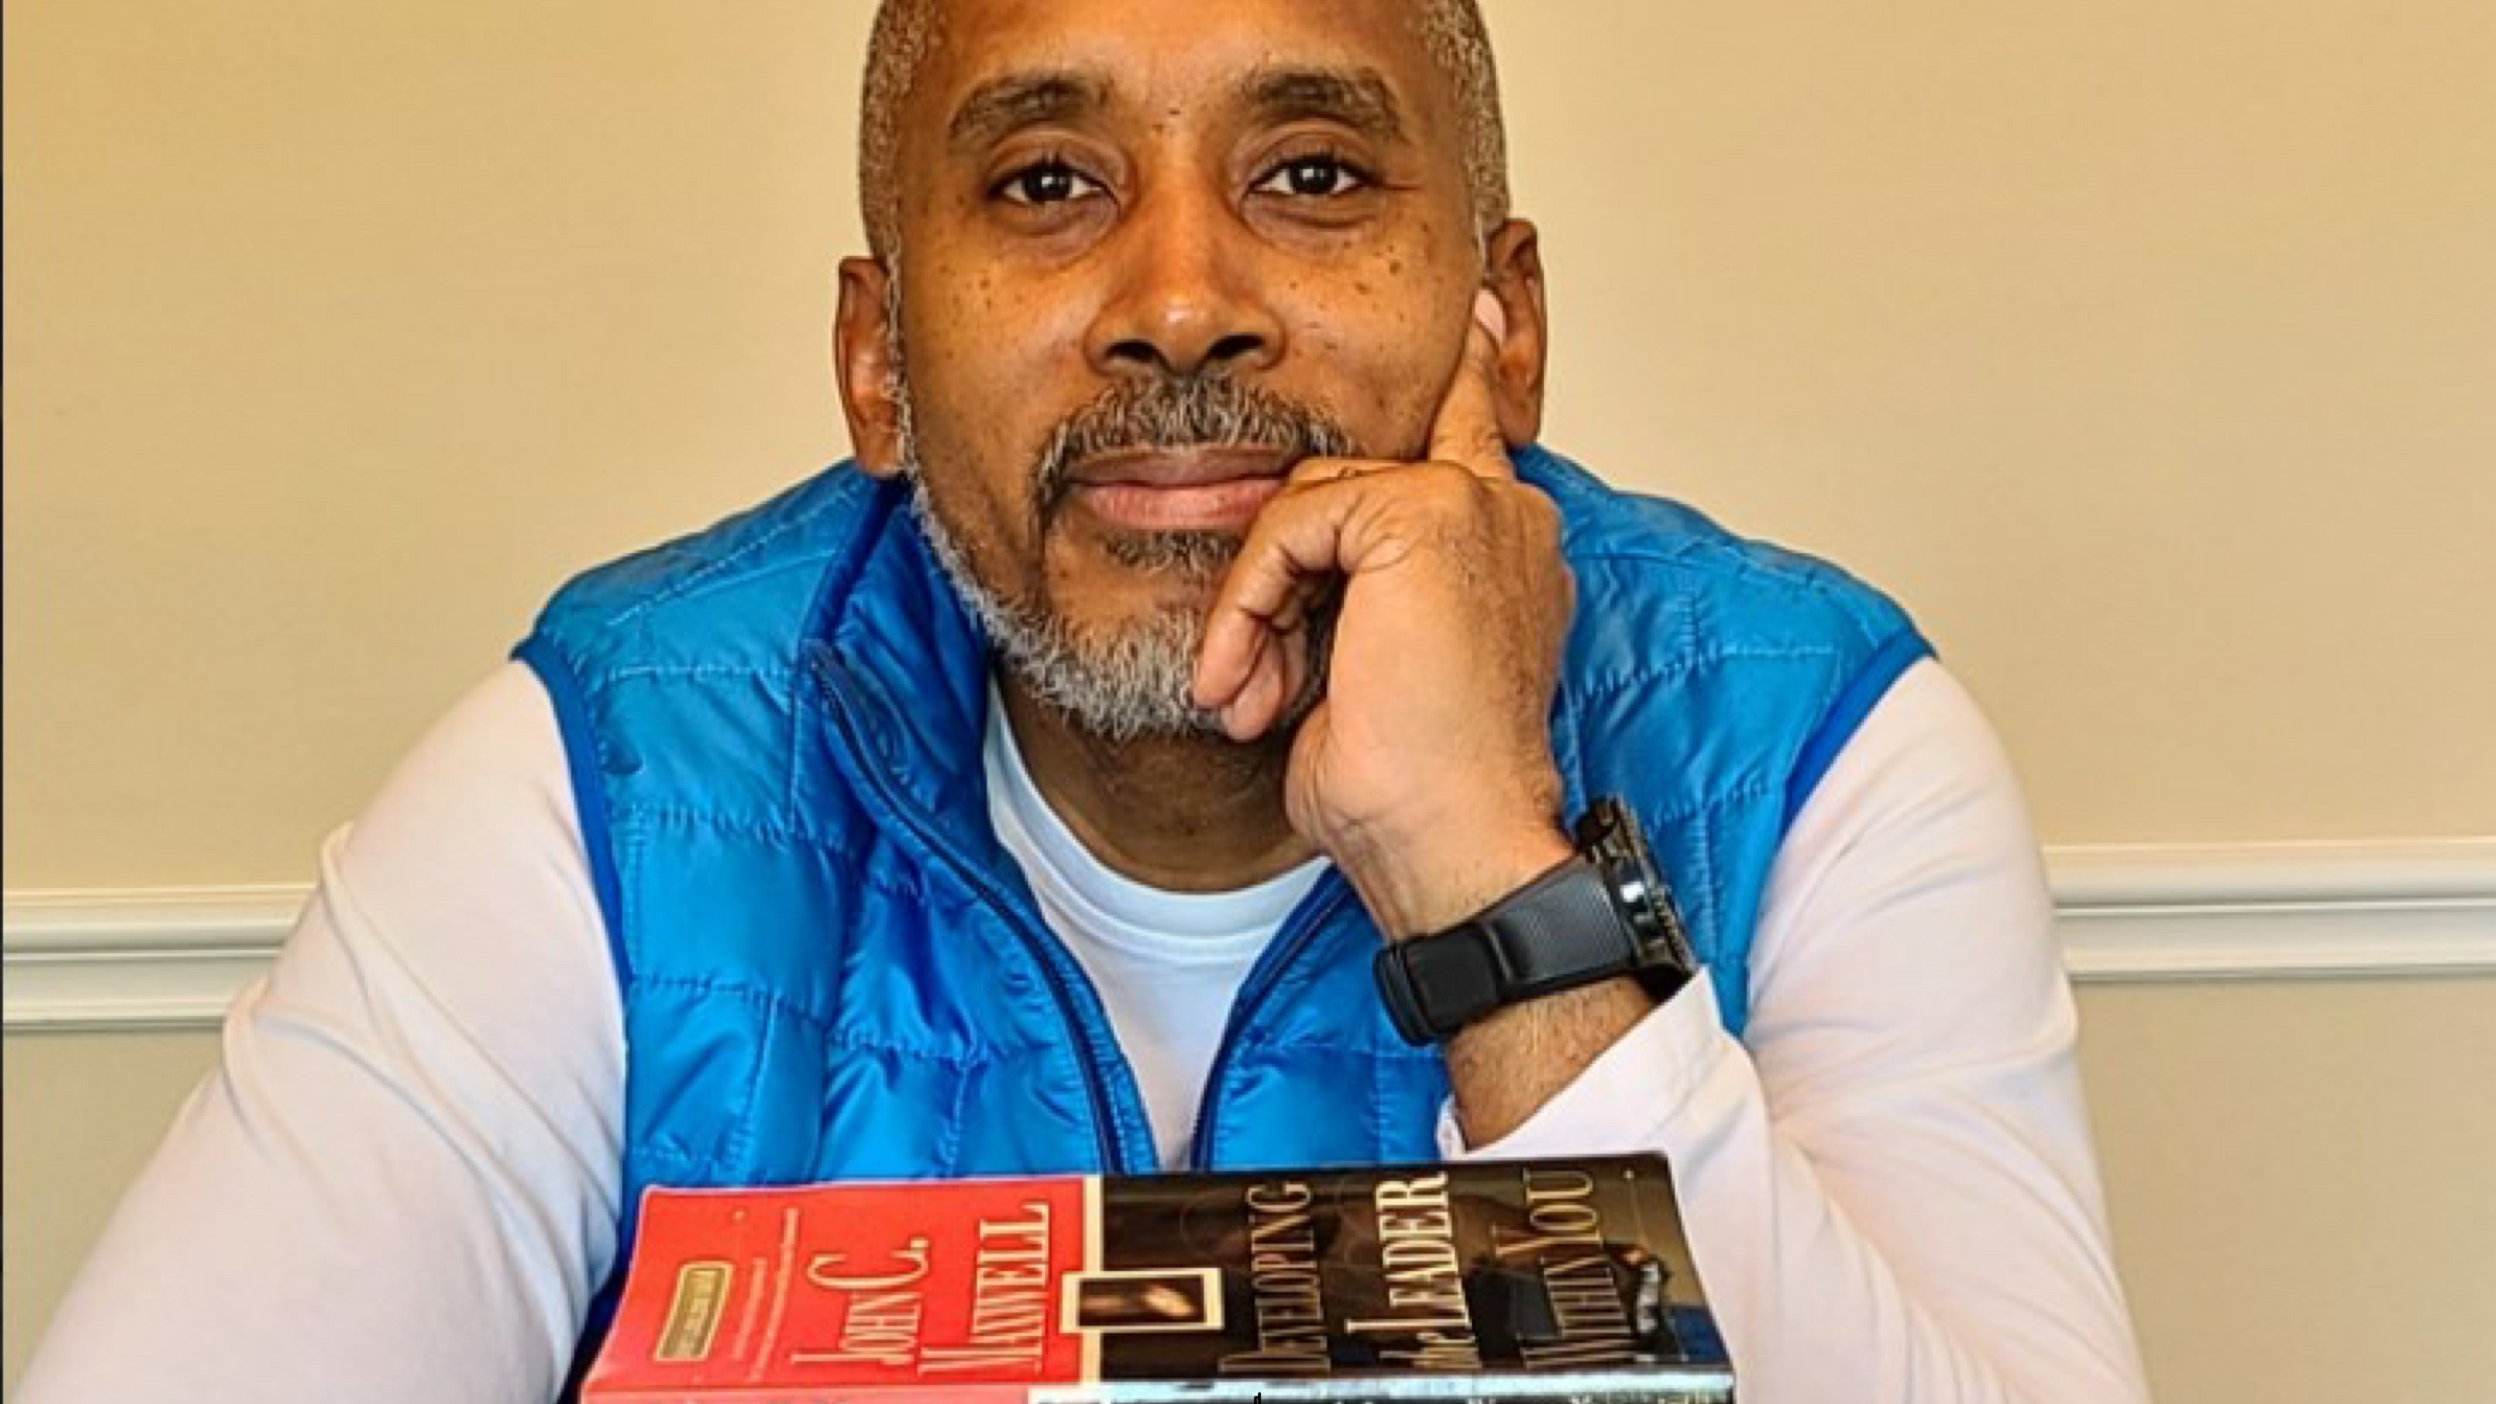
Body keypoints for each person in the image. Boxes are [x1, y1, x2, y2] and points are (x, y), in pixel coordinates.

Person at [20, 2, 2152, 1402]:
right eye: (1047, 186)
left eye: (1311, 172)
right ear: (878, 359)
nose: (1181, 299)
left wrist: (1494, 879)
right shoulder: (619, 770)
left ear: (1503, 326)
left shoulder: (1808, 737)